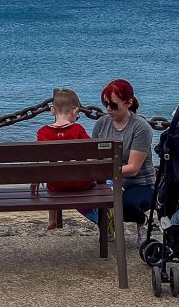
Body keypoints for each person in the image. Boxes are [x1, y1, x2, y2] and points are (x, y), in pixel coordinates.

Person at [90, 78, 155, 232]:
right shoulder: (101, 123)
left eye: (113, 105)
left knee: (121, 206)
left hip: (139, 183)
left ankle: (141, 220)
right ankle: (108, 225)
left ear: (128, 103)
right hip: (109, 180)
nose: (108, 109)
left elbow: (133, 169)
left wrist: (104, 171)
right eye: (105, 104)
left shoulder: (141, 128)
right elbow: (94, 155)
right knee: (83, 200)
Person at [31, 87, 93, 229]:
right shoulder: (78, 130)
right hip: (81, 184)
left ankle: (52, 221)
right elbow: (92, 152)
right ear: (75, 111)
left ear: (53, 111)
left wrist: (35, 180)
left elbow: (35, 157)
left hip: (56, 185)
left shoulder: (43, 132)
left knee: (52, 180)